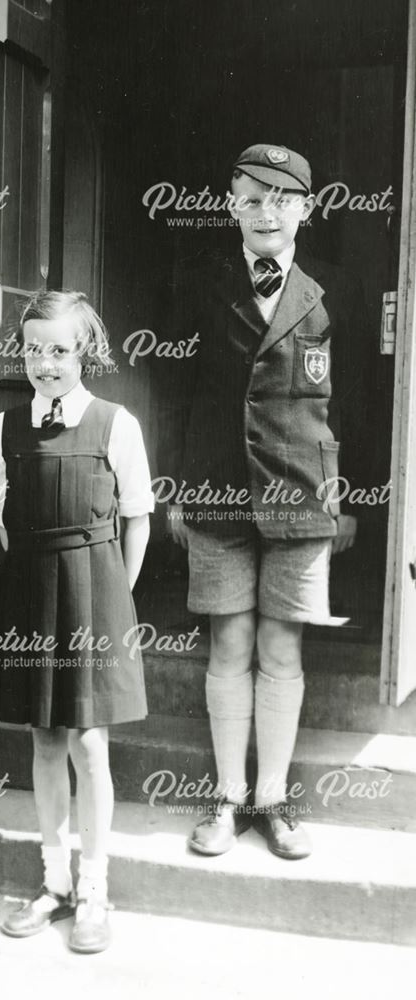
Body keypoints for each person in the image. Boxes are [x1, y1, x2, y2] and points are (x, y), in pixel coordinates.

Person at [166, 144, 371, 860]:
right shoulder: (200, 285)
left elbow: (355, 404)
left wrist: (347, 497)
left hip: (302, 494)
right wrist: (174, 485)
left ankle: (273, 798)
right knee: (228, 642)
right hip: (216, 492)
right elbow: (178, 393)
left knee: (281, 645)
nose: (264, 212)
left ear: (305, 211)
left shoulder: (334, 290)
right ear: (229, 206)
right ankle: (224, 798)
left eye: (280, 199)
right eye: (249, 198)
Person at [0, 290, 153, 952]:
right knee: (45, 742)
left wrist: (113, 596)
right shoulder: (4, 427)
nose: (46, 363)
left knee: (88, 743)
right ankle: (52, 882)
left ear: (85, 352)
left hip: (94, 594)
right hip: (30, 592)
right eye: (34, 350)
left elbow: (137, 516)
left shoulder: (115, 423)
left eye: (60, 350)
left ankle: (93, 891)